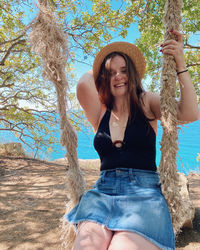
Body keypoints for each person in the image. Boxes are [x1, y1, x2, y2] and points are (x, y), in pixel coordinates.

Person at [65, 30, 199, 250]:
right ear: (103, 78)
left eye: (124, 70)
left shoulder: (147, 102)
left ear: (134, 74)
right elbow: (82, 84)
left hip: (143, 196)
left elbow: (190, 113)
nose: (118, 76)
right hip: (102, 194)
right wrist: (104, 62)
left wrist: (180, 62)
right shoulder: (99, 111)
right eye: (112, 73)